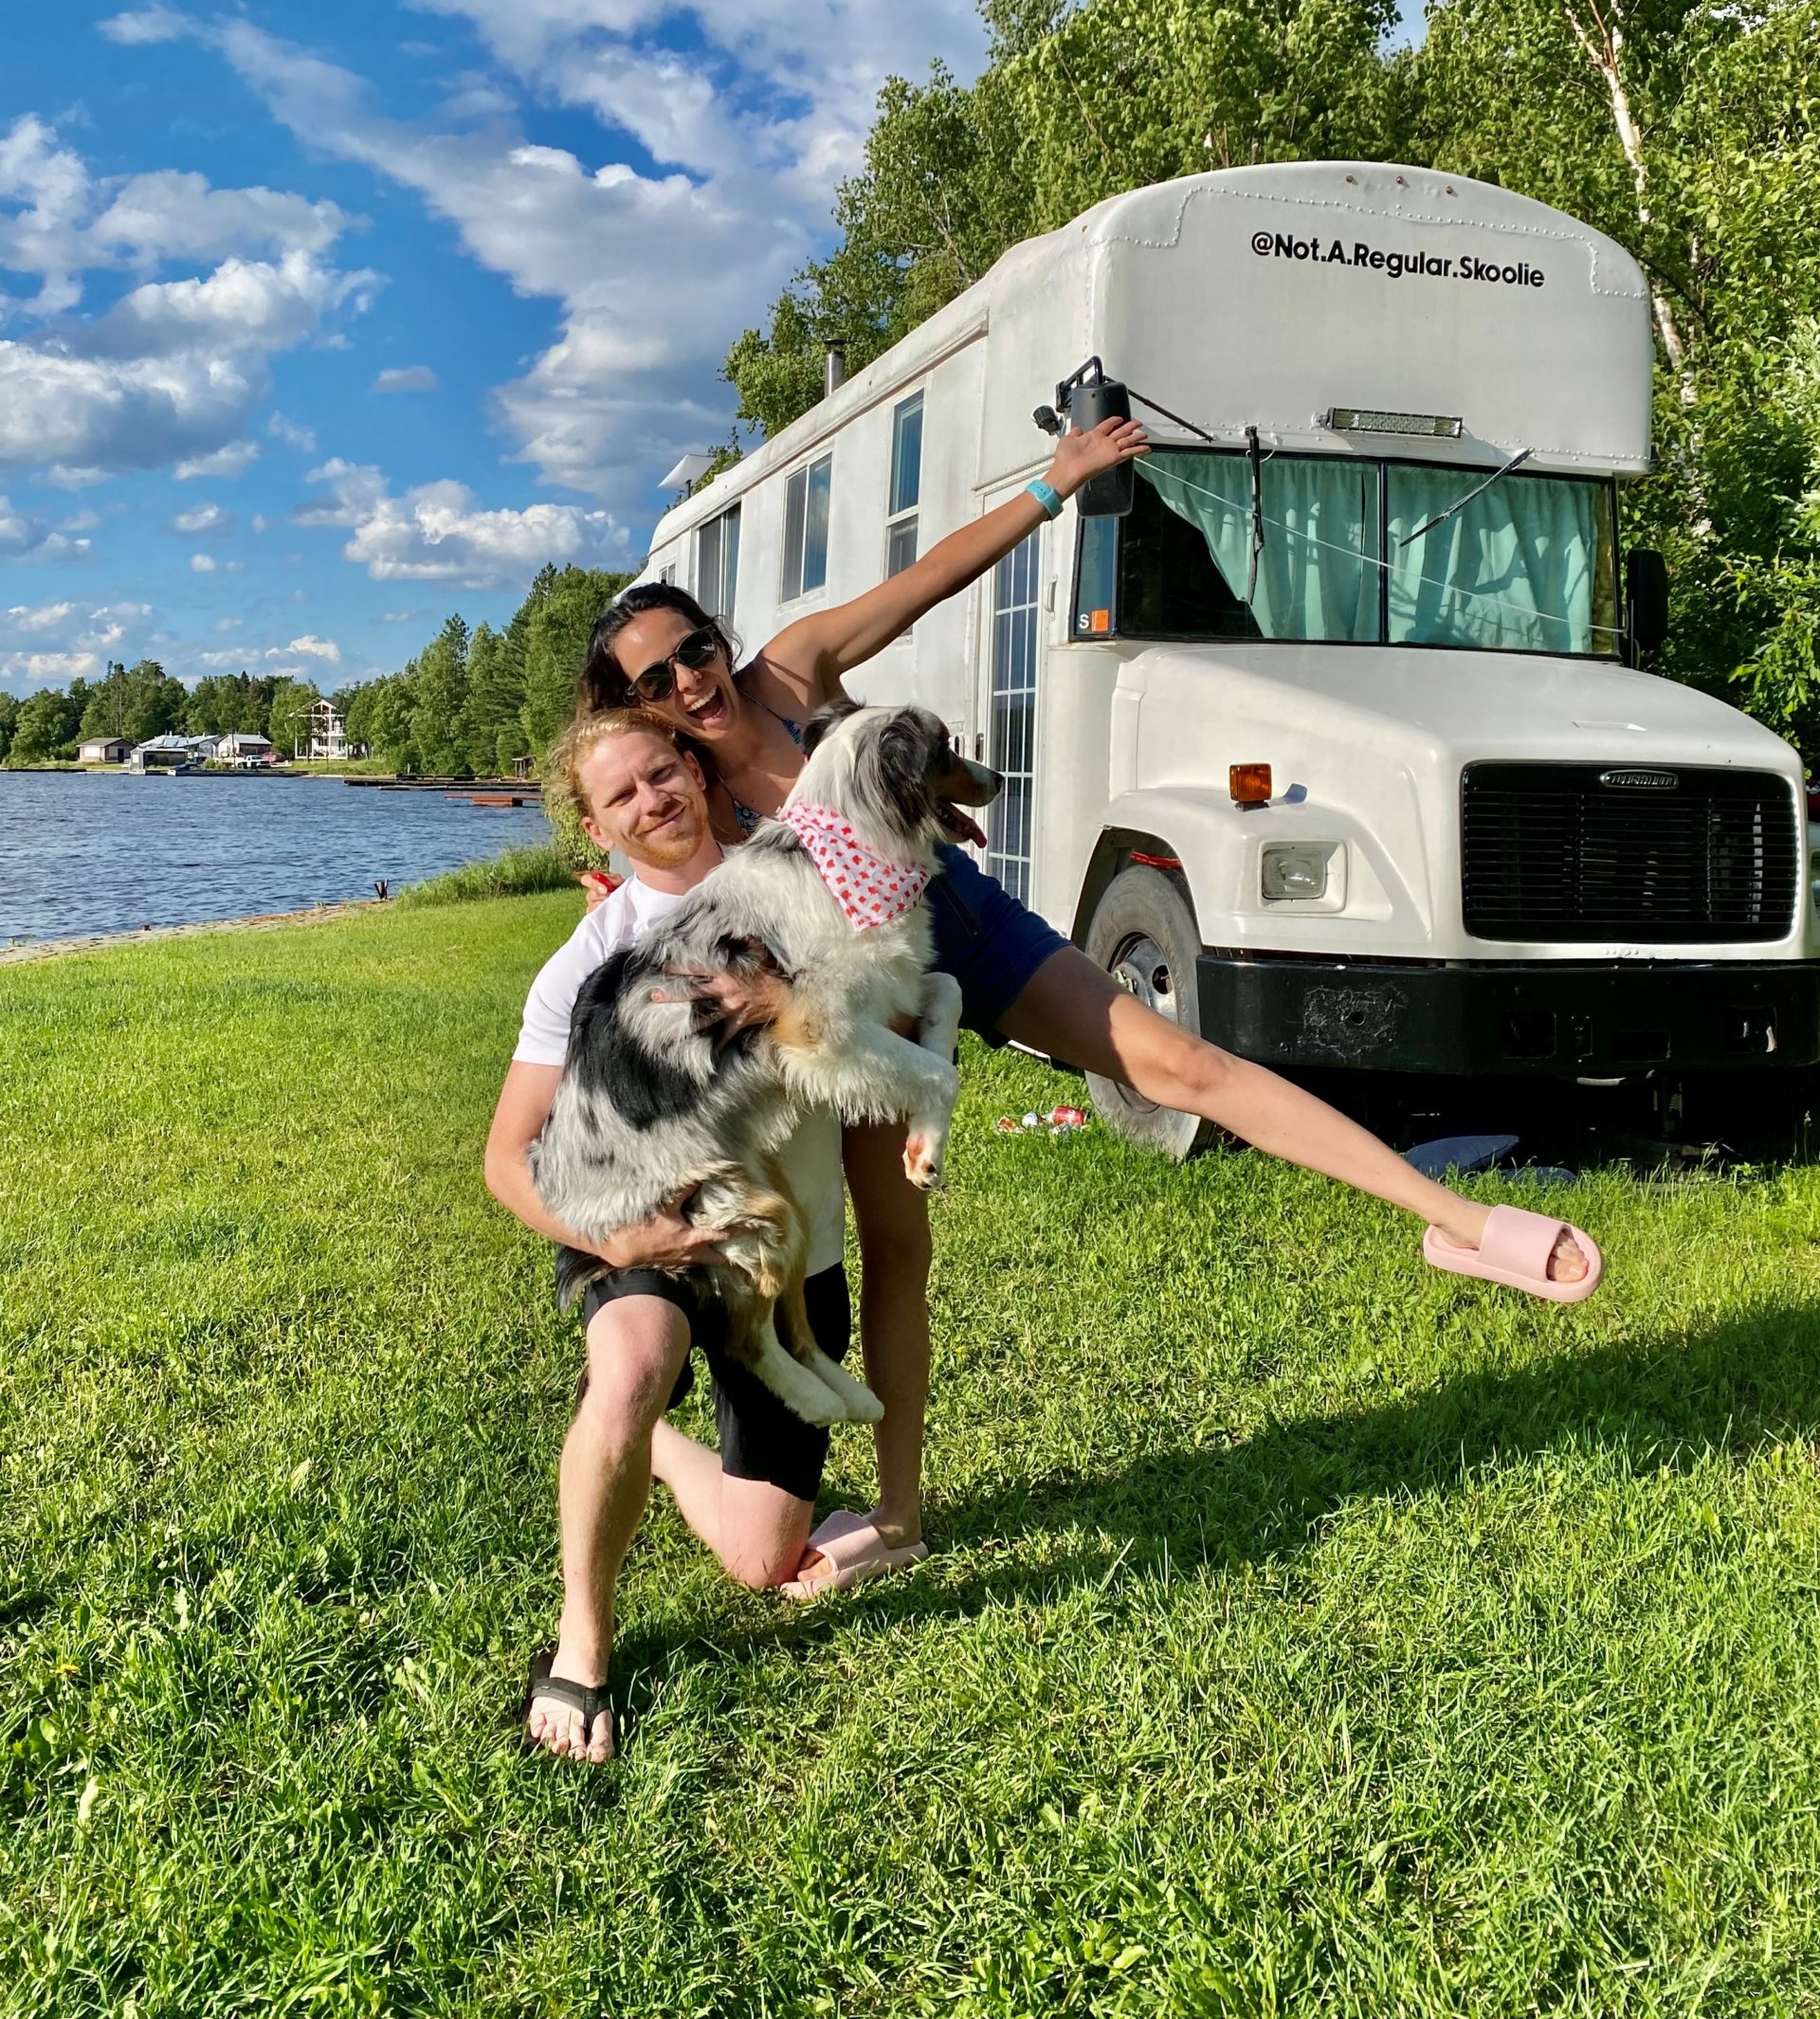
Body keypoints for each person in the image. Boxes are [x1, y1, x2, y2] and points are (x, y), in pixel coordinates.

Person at [575, 417, 1604, 1587]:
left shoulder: (794, 670)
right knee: (899, 1247)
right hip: (859, 997)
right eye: (654, 680)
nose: (689, 681)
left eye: (693, 648)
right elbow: (681, 902)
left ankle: (1453, 1220)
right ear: (636, 705)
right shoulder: (681, 784)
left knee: (1180, 1066)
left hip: (959, 920)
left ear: (718, 638)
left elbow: (924, 581)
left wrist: (1053, 488)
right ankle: (902, 1509)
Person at [484, 706, 912, 1766]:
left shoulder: (807, 884)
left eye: (662, 770)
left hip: (787, 1256)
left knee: (765, 1559)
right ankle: (584, 1640)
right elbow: (507, 1158)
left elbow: (880, 1019)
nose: (653, 798)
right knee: (634, 1364)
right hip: (647, 1229)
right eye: (621, 793)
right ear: (597, 829)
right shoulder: (586, 958)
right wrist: (619, 1243)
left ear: (696, 768)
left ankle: (657, 1450)